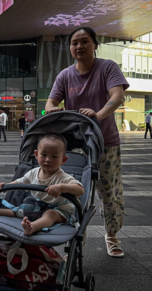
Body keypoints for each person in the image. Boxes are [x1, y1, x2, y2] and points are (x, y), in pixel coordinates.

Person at [45, 27, 129, 258]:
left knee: (109, 192)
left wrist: (98, 115)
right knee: (72, 191)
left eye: (84, 41)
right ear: (70, 48)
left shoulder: (107, 67)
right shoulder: (65, 75)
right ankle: (75, 235)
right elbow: (49, 104)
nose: (79, 46)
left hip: (106, 142)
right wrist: (54, 109)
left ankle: (111, 235)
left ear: (95, 44)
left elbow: (117, 96)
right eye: (74, 43)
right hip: (73, 144)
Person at [0, 133, 84, 235]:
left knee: (50, 214)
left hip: (60, 210)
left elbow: (80, 189)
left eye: (54, 157)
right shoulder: (33, 172)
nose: (48, 159)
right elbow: (21, 181)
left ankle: (33, 227)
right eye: (44, 155)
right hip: (37, 206)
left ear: (63, 159)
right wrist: (8, 186)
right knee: (21, 210)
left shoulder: (63, 177)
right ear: (36, 155)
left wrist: (61, 188)